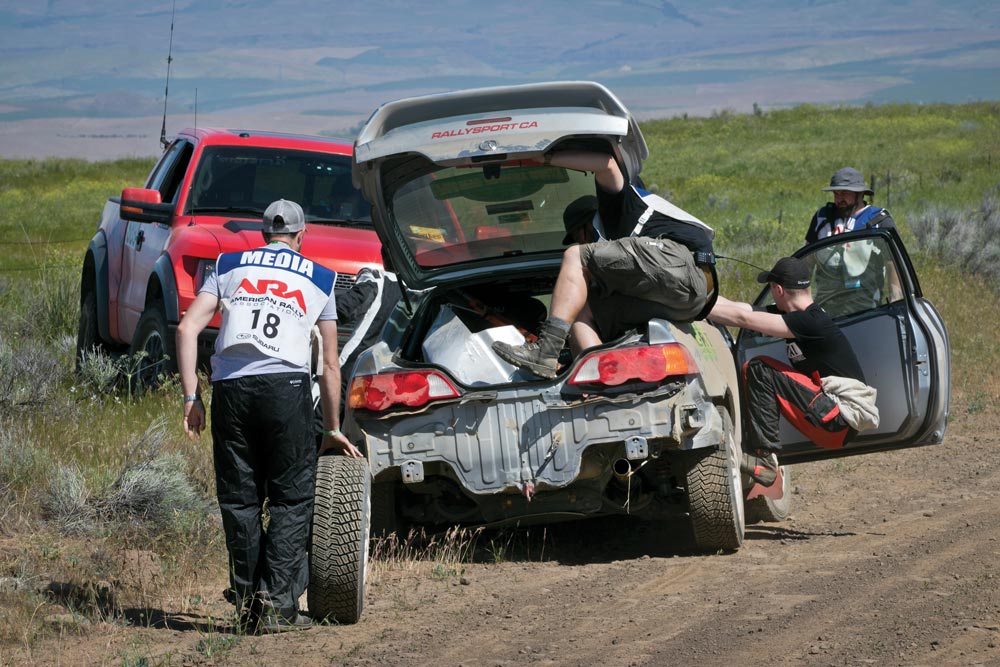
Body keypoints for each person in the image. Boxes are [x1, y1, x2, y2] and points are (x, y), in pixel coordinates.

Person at [177, 198, 363, 634]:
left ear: (263, 234)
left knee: (239, 501)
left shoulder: (227, 264)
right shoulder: (321, 276)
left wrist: (191, 397)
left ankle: (246, 609)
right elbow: (330, 364)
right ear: (302, 236)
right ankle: (278, 608)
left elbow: (187, 328)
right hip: (286, 391)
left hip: (230, 390)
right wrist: (332, 428)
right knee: (290, 499)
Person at [493, 150, 717, 378]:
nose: (584, 242)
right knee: (582, 313)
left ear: (584, 228)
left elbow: (607, 163)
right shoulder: (628, 266)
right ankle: (601, 377)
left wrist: (542, 158)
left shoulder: (614, 208)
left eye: (579, 237)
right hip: (692, 300)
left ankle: (546, 350)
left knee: (574, 256)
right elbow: (735, 313)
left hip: (678, 262)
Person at [708, 257, 879, 486]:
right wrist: (703, 296)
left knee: (760, 369)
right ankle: (760, 451)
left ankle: (766, 462)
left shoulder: (810, 321)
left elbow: (743, 319)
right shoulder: (798, 316)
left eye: (770, 289)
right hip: (832, 419)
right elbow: (742, 308)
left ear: (778, 289)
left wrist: (697, 309)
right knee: (763, 369)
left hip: (838, 418)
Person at [805, 167, 900, 312]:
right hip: (826, 307)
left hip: (866, 309)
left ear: (860, 194)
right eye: (836, 193)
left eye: (845, 193)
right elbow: (807, 261)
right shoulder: (822, 218)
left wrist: (896, 301)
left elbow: (893, 262)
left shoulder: (879, 221)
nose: (839, 199)